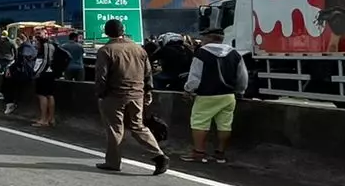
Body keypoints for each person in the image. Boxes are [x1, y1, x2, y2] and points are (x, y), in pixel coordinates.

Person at [94, 18, 167, 175]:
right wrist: (148, 91)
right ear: (123, 31)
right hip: (137, 94)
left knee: (115, 129)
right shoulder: (138, 49)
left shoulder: (106, 50)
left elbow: (102, 76)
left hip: (114, 95)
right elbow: (148, 73)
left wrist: (100, 94)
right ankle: (158, 155)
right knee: (138, 126)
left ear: (107, 32)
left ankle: (113, 162)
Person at [183, 26, 250, 163]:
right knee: (225, 125)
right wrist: (240, 91)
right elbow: (242, 76)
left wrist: (188, 89)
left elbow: (195, 76)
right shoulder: (234, 54)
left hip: (207, 95)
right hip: (228, 96)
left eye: (203, 37)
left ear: (209, 38)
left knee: (199, 123)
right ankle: (220, 154)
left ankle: (199, 153)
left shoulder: (201, 53)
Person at [34, 33, 69, 128]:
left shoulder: (46, 46)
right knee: (50, 95)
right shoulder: (54, 45)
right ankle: (51, 118)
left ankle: (43, 119)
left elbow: (46, 60)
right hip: (51, 73)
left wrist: (39, 72)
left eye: (36, 41)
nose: (35, 43)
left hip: (45, 74)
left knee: (42, 95)